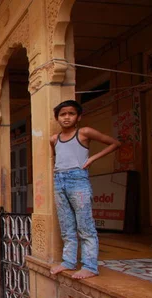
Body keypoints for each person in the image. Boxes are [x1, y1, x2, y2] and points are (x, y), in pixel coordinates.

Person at [49, 100, 121, 279]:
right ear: (57, 118)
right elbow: (56, 157)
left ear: (78, 117)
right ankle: (69, 261)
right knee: (66, 224)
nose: (66, 117)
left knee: (85, 225)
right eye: (62, 114)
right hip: (59, 180)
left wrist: (92, 158)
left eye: (71, 113)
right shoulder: (54, 139)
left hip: (78, 180)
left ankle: (89, 265)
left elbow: (114, 143)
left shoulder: (84, 132)